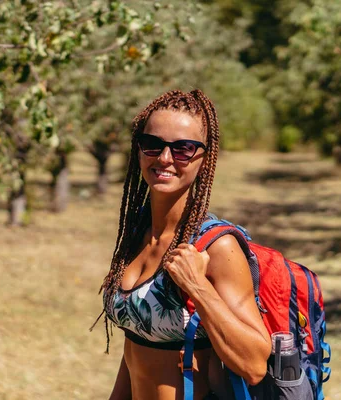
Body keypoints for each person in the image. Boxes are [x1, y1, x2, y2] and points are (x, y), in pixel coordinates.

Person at [99, 89, 272, 400]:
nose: (165, 158)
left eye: (183, 149)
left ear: (204, 159)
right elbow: (134, 350)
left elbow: (255, 364)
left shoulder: (217, 247)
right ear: (139, 150)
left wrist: (198, 287)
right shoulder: (136, 232)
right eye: (153, 145)